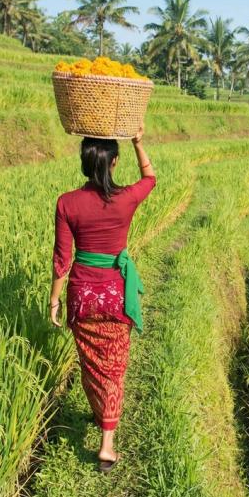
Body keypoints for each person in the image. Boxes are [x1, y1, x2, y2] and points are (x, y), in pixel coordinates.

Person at [49, 125, 155, 473]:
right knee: (114, 367)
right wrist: (138, 143)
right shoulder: (125, 198)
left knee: (92, 363)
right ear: (114, 162)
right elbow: (150, 178)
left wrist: (54, 300)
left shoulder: (67, 203)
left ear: (84, 162)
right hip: (114, 295)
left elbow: (62, 260)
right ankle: (107, 445)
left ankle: (100, 416)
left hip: (82, 296)